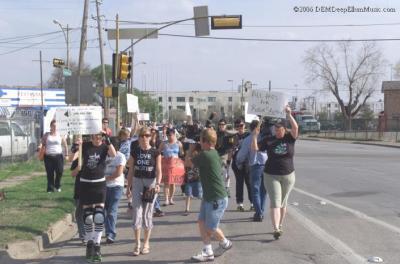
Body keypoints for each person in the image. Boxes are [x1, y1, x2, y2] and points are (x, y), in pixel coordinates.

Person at [251, 106, 299, 240]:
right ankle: (276, 228)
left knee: (283, 203)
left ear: (285, 129)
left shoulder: (290, 138)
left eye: (280, 129)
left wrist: (289, 115)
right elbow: (255, 148)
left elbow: (295, 128)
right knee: (275, 202)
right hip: (271, 175)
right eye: (276, 129)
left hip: (288, 175)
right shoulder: (269, 140)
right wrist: (254, 136)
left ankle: (280, 224)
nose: (277, 131)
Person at [190, 128, 232, 262]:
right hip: (209, 196)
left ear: (206, 142)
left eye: (201, 141)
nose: (200, 143)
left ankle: (225, 243)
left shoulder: (206, 155)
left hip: (216, 197)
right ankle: (208, 251)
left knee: (211, 227)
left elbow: (187, 162)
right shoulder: (214, 153)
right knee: (201, 222)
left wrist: (191, 149)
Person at [76, 132, 116, 262]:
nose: (98, 139)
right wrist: (76, 147)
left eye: (100, 136)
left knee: (99, 216)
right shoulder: (85, 145)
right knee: (88, 217)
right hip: (86, 184)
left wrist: (108, 140)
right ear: (91, 136)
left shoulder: (105, 146)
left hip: (99, 184)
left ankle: (97, 246)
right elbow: (71, 159)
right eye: (96, 136)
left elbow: (114, 155)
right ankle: (89, 244)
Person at [126, 127, 162, 256]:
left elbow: (158, 170)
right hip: (137, 182)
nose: (144, 138)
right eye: (142, 136)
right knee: (137, 211)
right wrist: (128, 186)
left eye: (147, 136)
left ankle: (146, 242)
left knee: (147, 213)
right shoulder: (135, 151)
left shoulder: (155, 152)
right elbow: (130, 170)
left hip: (150, 183)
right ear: (139, 138)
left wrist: (158, 184)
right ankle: (137, 243)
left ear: (150, 137)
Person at [236, 120, 268, 222]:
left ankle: (259, 213)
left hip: (255, 166)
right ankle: (261, 211)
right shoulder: (265, 138)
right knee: (263, 190)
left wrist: (238, 162)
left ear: (250, 128)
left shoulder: (248, 139)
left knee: (255, 191)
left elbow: (241, 156)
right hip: (266, 165)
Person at [104, 140, 126, 244]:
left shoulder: (120, 156)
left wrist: (107, 178)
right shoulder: (103, 155)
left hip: (116, 186)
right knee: (104, 211)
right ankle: (107, 232)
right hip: (103, 187)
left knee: (112, 211)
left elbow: (119, 172)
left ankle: (110, 234)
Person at [40, 120, 68, 193]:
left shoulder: (60, 134)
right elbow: (42, 144)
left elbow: (65, 145)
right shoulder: (46, 135)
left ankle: (57, 185)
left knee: (60, 171)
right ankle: (50, 188)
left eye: (56, 126)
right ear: (50, 126)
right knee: (50, 173)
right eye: (53, 126)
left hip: (58, 156)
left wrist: (66, 154)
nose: (55, 127)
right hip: (48, 156)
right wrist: (40, 149)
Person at [158, 127, 184, 206]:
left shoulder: (178, 143)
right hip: (166, 164)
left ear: (174, 135)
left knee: (173, 183)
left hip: (175, 165)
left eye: (171, 135)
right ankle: (166, 199)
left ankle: (171, 198)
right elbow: (158, 152)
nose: (170, 136)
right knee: (166, 183)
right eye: (168, 135)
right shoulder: (164, 143)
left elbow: (182, 153)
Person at [231, 118, 253, 211]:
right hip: (237, 163)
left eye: (241, 125)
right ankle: (240, 204)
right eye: (237, 126)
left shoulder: (249, 135)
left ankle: (253, 203)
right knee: (239, 184)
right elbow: (230, 150)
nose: (239, 128)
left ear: (244, 125)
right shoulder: (233, 137)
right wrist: (228, 162)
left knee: (249, 183)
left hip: (248, 163)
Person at [215, 119, 234, 197]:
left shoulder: (229, 135)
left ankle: (226, 188)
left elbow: (231, 147)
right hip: (216, 155)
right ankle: (219, 189)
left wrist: (229, 159)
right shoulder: (215, 134)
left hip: (225, 155)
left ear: (226, 125)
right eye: (220, 124)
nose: (221, 126)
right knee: (217, 173)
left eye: (223, 124)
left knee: (226, 173)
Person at [183, 142, 203, 216]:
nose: (191, 145)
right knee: (188, 194)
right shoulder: (189, 153)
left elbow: (192, 163)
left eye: (193, 144)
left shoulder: (200, 154)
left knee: (199, 195)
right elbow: (186, 163)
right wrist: (190, 150)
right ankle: (187, 209)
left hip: (198, 179)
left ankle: (204, 208)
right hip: (189, 178)